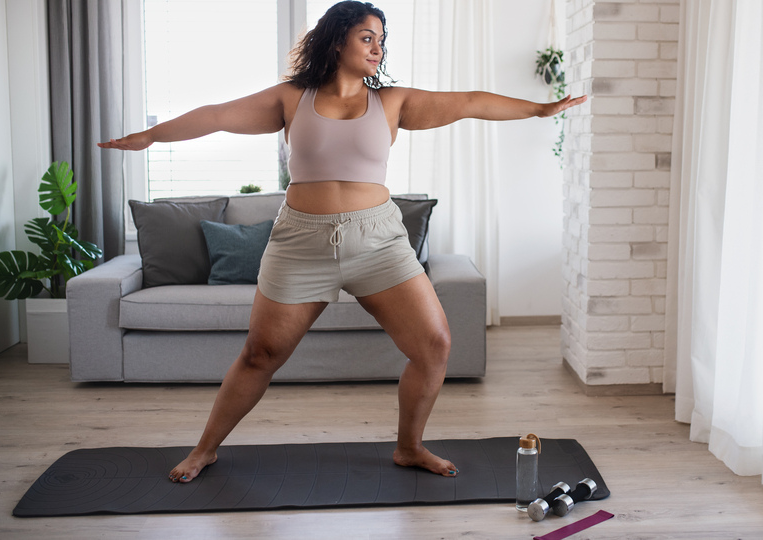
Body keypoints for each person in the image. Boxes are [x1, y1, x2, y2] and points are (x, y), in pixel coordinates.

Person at [99, 0, 586, 483]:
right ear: (337, 40)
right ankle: (204, 449)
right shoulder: (293, 98)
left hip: (378, 241)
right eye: (367, 37)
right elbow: (216, 115)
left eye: (381, 39)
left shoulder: (391, 101)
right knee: (260, 355)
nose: (378, 48)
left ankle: (409, 447)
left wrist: (540, 110)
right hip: (299, 244)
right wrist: (151, 137)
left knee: (434, 344)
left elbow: (471, 102)